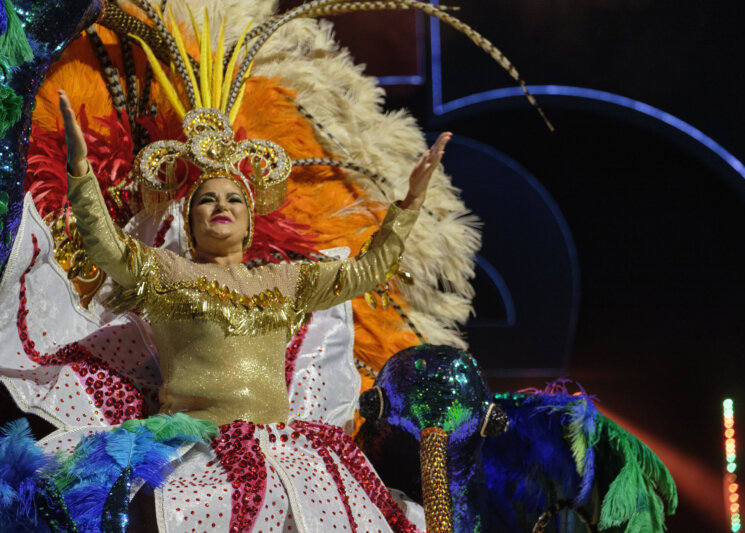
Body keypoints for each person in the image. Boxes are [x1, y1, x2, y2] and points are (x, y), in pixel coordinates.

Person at [54, 88, 450, 532]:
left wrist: (411, 202)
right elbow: (106, 247)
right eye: (207, 199)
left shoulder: (286, 280)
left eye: (234, 198)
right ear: (191, 222)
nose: (221, 205)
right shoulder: (165, 271)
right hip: (190, 450)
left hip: (280, 451)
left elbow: (368, 271)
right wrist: (80, 169)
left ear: (248, 223)